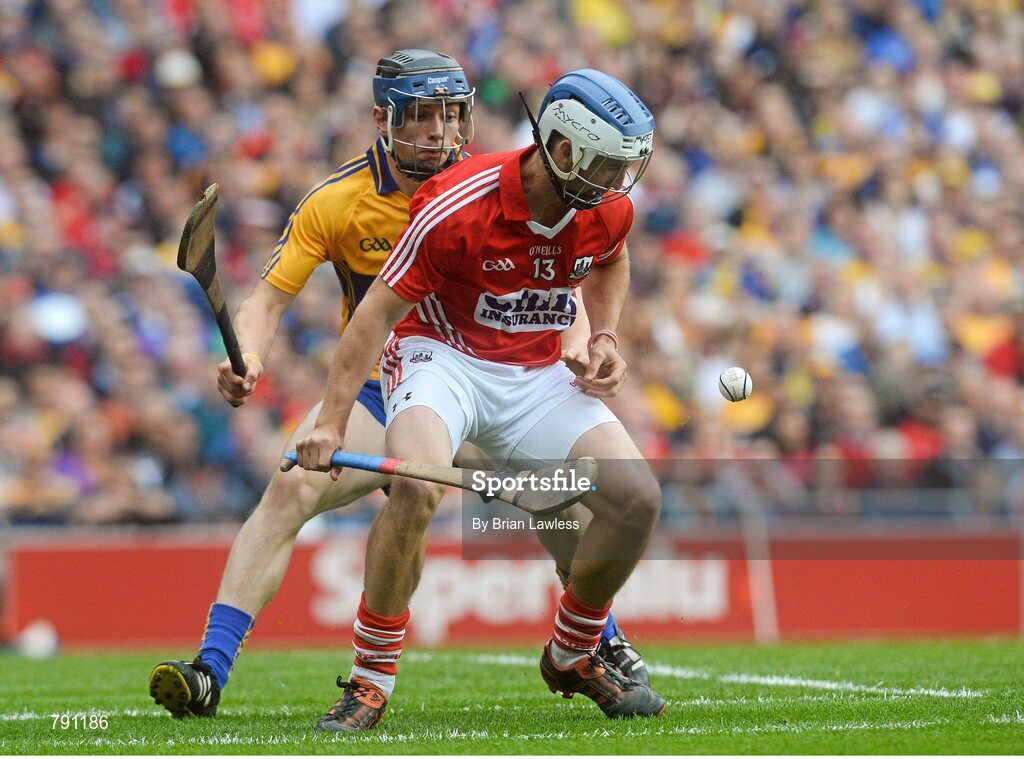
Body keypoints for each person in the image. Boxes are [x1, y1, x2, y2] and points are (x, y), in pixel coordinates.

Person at [148, 51, 647, 720]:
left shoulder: (521, 179)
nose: (440, 131)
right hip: (392, 380)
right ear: (383, 118)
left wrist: (587, 342)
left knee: (555, 505)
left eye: (451, 114)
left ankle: (593, 640)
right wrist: (252, 357)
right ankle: (212, 665)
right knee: (293, 487)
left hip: (497, 371)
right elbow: (267, 301)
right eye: (420, 116)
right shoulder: (339, 200)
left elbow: (560, 275)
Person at [294, 68, 665, 732]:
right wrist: (329, 420)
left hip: (536, 369)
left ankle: (574, 650)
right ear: (562, 147)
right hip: (442, 356)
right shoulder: (455, 203)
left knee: (637, 498)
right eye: (605, 163)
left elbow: (611, 259)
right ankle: (369, 676)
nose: (615, 182)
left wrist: (603, 334)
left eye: (623, 167)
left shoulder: (607, 206)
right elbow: (375, 315)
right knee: (414, 488)